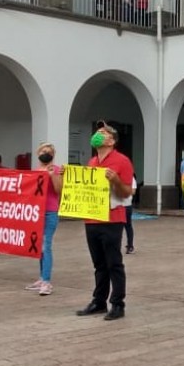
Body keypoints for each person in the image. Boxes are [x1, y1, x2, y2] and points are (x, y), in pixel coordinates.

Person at [76, 121, 134, 321]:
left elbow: (126, 192)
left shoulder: (122, 161)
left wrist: (116, 180)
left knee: (113, 263)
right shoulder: (92, 162)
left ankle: (118, 303)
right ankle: (99, 301)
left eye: (102, 133)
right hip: (92, 218)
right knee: (99, 263)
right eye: (97, 132)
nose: (97, 136)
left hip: (112, 218)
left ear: (111, 140)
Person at [25, 142, 62, 296]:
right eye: (43, 151)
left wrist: (53, 175)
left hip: (50, 212)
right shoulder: (35, 172)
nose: (45, 153)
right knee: (39, 247)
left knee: (46, 246)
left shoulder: (57, 170)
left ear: (52, 155)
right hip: (36, 212)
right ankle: (42, 277)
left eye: (48, 151)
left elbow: (59, 189)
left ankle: (46, 281)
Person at [123, 174, 137, 254]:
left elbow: (133, 191)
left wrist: (121, 189)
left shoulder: (131, 178)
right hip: (116, 206)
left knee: (128, 226)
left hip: (127, 205)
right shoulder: (114, 175)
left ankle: (130, 245)